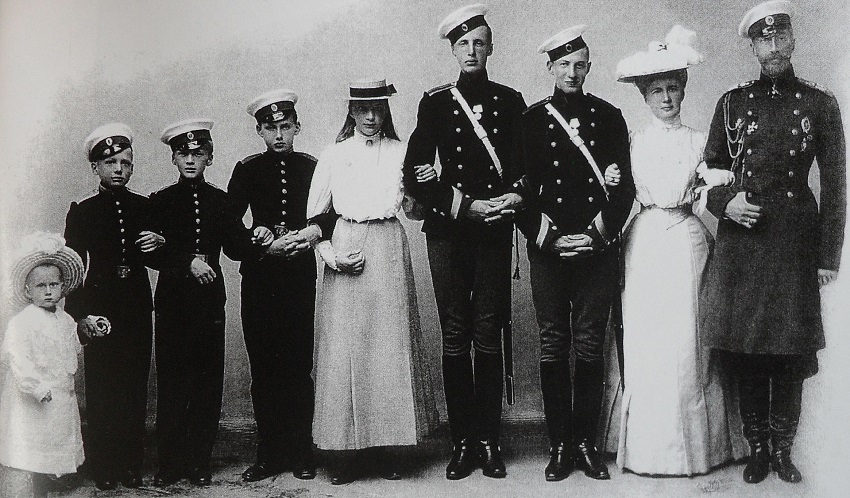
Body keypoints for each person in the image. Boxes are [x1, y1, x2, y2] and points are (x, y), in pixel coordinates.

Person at [700, 0, 846, 485]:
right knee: (747, 348)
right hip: (743, 243)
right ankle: (757, 448)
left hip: (793, 243)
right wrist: (726, 204)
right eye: (765, 39)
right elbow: (708, 172)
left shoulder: (820, 103)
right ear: (753, 47)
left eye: (782, 37)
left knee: (788, 348)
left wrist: (828, 256)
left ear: (793, 41)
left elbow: (837, 184)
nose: (775, 46)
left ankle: (784, 449)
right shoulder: (732, 102)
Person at [611, 26, 743, 476]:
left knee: (690, 339)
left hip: (688, 238)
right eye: (657, 90)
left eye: (673, 88)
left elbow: (711, 188)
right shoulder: (634, 141)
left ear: (683, 90)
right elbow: (620, 191)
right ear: (645, 96)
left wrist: (715, 182)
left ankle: (701, 448)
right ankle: (648, 448)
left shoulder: (699, 140)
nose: (666, 98)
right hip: (646, 239)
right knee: (649, 339)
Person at [402, 3, 526, 480]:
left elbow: (523, 165)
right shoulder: (435, 102)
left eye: (479, 43)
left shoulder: (510, 100)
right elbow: (415, 170)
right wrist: (461, 205)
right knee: (455, 333)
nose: (471, 51)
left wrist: (514, 195)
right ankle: (461, 442)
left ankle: (489, 441)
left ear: (490, 48)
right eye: (463, 44)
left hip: (494, 229)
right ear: (453, 51)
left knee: (488, 332)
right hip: (449, 231)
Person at [514, 25, 634, 481]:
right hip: (549, 249)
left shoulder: (609, 117)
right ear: (550, 67)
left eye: (579, 65)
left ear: (589, 68)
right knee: (552, 342)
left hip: (594, 249)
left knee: (588, 342)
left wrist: (596, 234)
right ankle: (559, 445)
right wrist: (548, 236)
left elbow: (624, 190)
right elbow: (519, 190)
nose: (571, 72)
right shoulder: (530, 121)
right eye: (563, 64)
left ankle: (585, 444)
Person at [307, 79, 438, 485]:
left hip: (388, 245)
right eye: (362, 108)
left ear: (385, 110)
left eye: (377, 108)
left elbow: (415, 211)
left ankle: (387, 447)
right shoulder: (334, 154)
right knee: (345, 349)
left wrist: (427, 182)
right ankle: (345, 451)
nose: (369, 116)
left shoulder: (401, 151)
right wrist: (331, 256)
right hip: (346, 244)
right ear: (351, 110)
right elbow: (315, 218)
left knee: (388, 348)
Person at [229, 89, 336, 482]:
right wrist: (259, 242)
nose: (279, 135)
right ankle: (269, 453)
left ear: (297, 127)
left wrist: (311, 232)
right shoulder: (248, 169)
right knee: (264, 368)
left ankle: (301, 450)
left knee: (297, 366)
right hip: (260, 280)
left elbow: (333, 212)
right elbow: (229, 230)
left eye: (285, 127)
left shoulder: (312, 167)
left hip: (298, 278)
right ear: (259, 131)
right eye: (270, 128)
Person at [148, 119, 263, 487]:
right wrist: (187, 262)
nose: (190, 160)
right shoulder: (160, 201)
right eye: (183, 154)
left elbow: (236, 247)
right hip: (173, 302)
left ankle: (199, 461)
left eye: (198, 154)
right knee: (172, 382)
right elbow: (150, 252)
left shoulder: (220, 200)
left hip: (209, 302)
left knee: (206, 384)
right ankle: (169, 463)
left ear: (209, 158)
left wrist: (257, 235)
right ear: (173, 158)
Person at [63, 123, 163, 490]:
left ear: (132, 166)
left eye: (125, 162)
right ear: (95, 167)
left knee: (134, 385)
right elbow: (74, 269)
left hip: (136, 304)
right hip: (100, 305)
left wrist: (161, 241)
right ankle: (104, 465)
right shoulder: (83, 210)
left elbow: (157, 259)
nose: (118, 169)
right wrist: (80, 316)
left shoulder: (144, 206)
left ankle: (130, 464)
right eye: (109, 163)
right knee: (102, 385)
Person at [0, 232, 93, 498]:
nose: (49, 291)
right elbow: (18, 359)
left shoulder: (65, 319)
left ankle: (50, 481)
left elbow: (70, 347)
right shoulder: (23, 322)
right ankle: (35, 487)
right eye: (41, 286)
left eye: (54, 284)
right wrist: (36, 387)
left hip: (60, 393)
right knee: (34, 445)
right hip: (36, 395)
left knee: (55, 441)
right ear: (27, 290)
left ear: (63, 287)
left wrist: (86, 332)